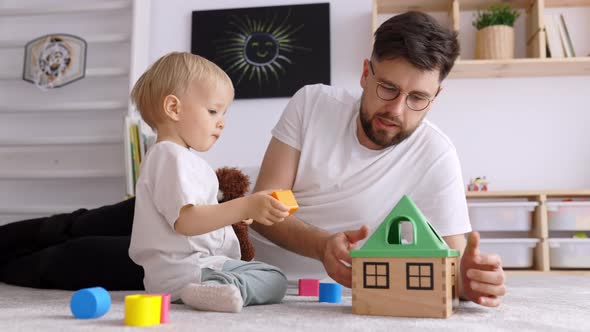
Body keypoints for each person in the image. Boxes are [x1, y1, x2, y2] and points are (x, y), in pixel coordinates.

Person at [0, 12, 505, 308]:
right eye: (388, 88)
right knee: (75, 224)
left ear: (436, 96)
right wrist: (323, 243)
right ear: (365, 72)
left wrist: (468, 278)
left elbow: (452, 263)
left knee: (67, 260)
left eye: (417, 98)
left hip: (220, 260)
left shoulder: (436, 155)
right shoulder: (312, 102)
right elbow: (269, 206)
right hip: (215, 210)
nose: (396, 110)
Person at [128, 52, 290, 312]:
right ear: (174, 108)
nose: (221, 122)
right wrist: (244, 206)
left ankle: (217, 289)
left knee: (274, 277)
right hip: (185, 269)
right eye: (213, 111)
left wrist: (239, 214)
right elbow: (187, 221)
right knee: (275, 280)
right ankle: (214, 290)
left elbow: (201, 216)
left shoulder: (181, 159)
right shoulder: (168, 155)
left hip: (197, 267)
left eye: (223, 113)